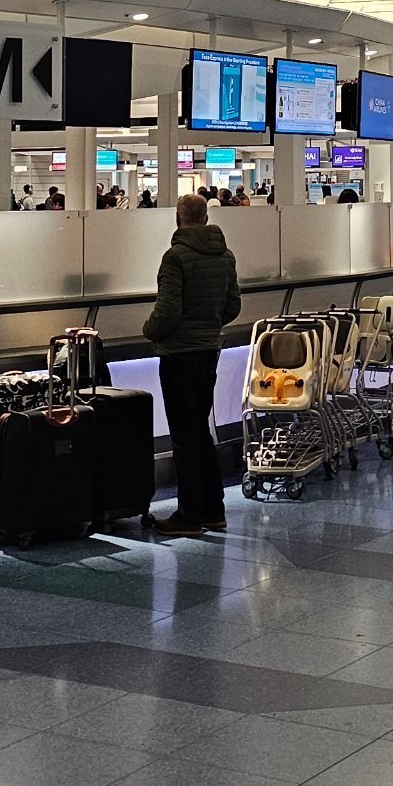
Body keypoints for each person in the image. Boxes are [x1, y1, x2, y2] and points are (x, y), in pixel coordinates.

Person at [145, 194, 240, 538]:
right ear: (206, 217)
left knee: (185, 436)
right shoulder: (225, 255)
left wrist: (150, 331)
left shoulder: (175, 257)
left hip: (179, 354)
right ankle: (214, 510)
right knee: (201, 430)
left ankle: (189, 515)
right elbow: (233, 305)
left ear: (178, 218)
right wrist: (209, 325)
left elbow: (168, 310)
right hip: (208, 351)